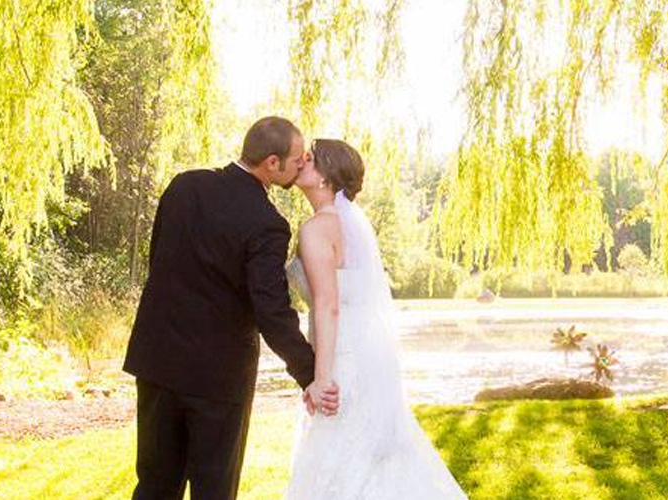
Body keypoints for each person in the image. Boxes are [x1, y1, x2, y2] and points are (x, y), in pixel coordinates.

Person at [123, 117, 339, 500]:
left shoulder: (183, 185)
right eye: (295, 159)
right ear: (272, 164)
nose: (301, 164)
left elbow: (160, 261)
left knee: (154, 486)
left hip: (157, 361)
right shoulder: (267, 223)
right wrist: (309, 373)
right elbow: (271, 312)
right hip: (217, 378)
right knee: (214, 490)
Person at [284, 139, 468, 499]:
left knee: (339, 448)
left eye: (312, 158)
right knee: (365, 450)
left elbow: (327, 305)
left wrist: (320, 379)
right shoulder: (345, 226)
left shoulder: (319, 227)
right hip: (359, 349)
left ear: (326, 178)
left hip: (339, 353)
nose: (303, 159)